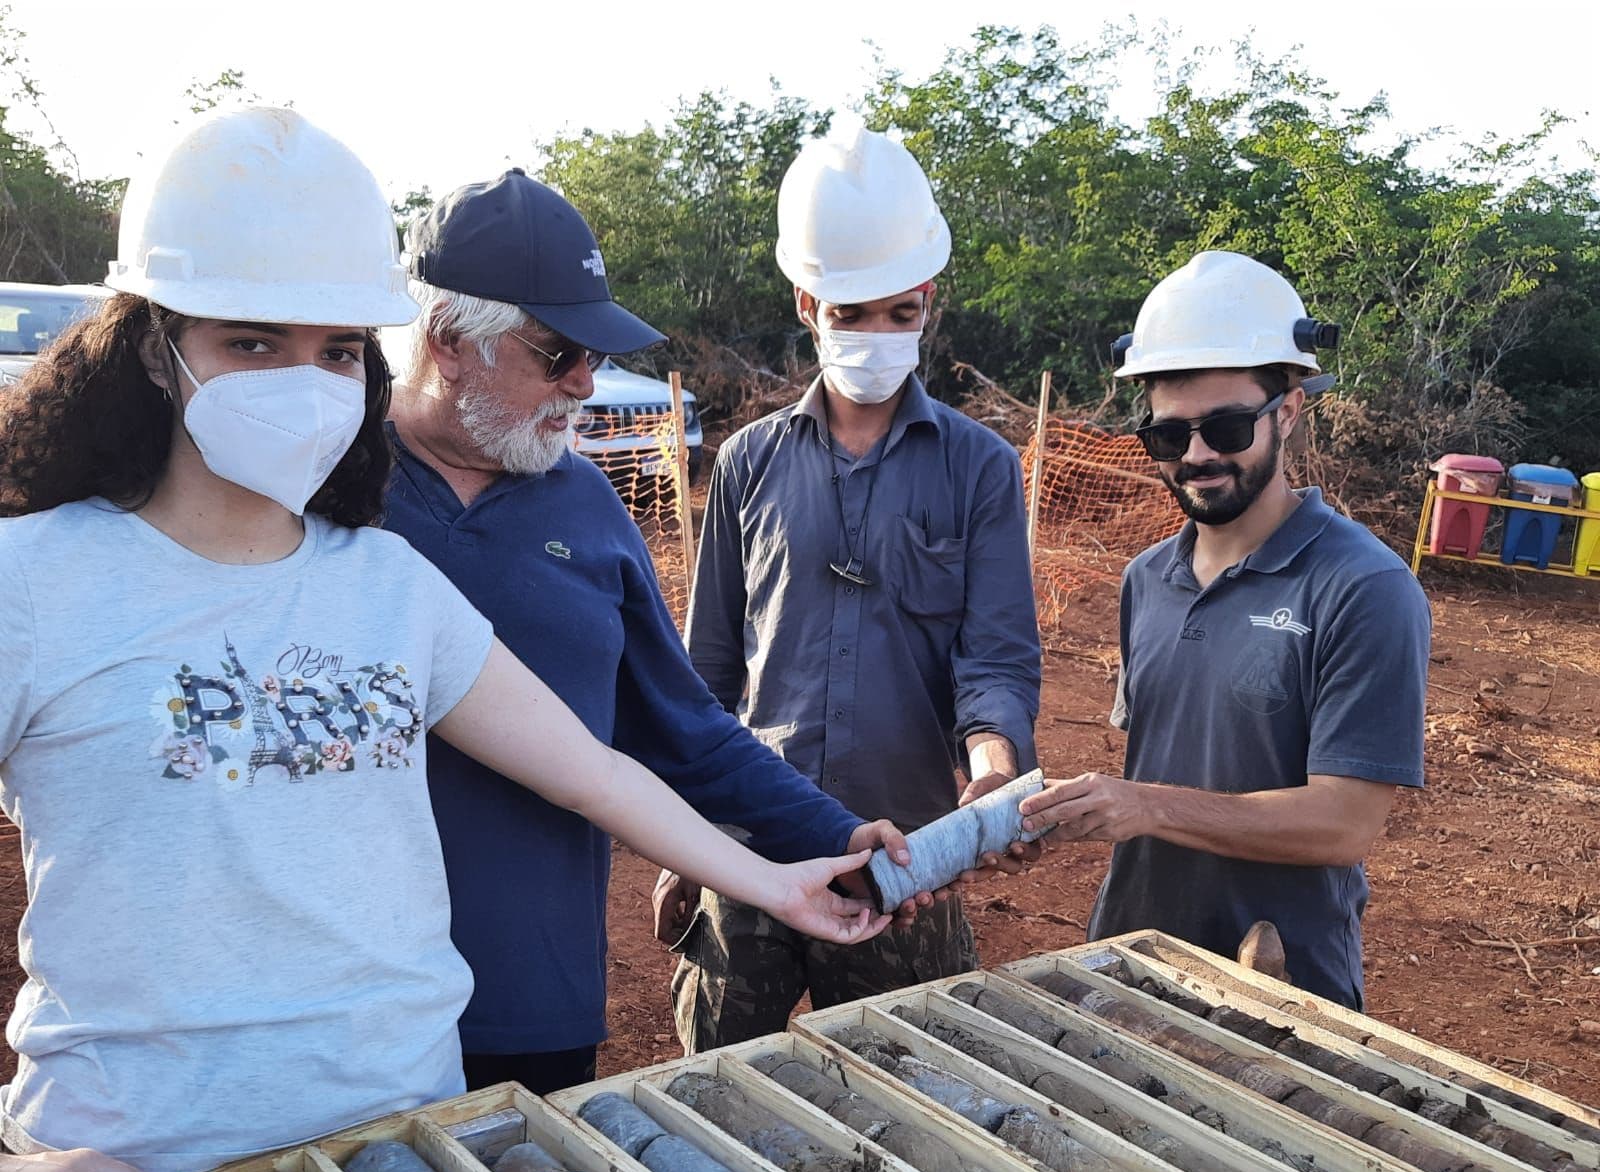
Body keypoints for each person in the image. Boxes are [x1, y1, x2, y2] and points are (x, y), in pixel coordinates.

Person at [0, 108, 892, 1172]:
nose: (305, 381)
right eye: (252, 342)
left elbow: (593, 771)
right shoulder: (31, 581)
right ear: (154, 346)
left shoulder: (388, 581)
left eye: (336, 349)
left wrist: (781, 883)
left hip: (412, 1140)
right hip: (145, 1159)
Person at [382, 169, 930, 1096]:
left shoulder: (586, 504)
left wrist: (837, 836)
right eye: (559, 353)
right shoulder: (329, 490)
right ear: (447, 340)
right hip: (352, 1003)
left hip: (532, 986)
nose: (586, 383)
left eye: (594, 354)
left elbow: (683, 728)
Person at [661, 126, 1043, 1052]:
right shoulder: (748, 463)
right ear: (807, 304)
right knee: (716, 1082)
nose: (876, 335)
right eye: (850, 313)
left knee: (905, 1078)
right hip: (751, 849)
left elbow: (994, 659)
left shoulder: (979, 468)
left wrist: (991, 774)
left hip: (905, 856)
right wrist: (687, 838)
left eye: (899, 312)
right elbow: (706, 674)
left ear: (928, 304)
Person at [1018, 250, 1431, 1010]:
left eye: (1228, 427)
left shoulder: (1364, 586)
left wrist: (1145, 805)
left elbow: (1344, 824)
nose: (1199, 455)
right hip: (1133, 956)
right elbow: (1169, 760)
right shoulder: (1147, 578)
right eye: (1170, 436)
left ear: (1290, 411)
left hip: (1282, 981)